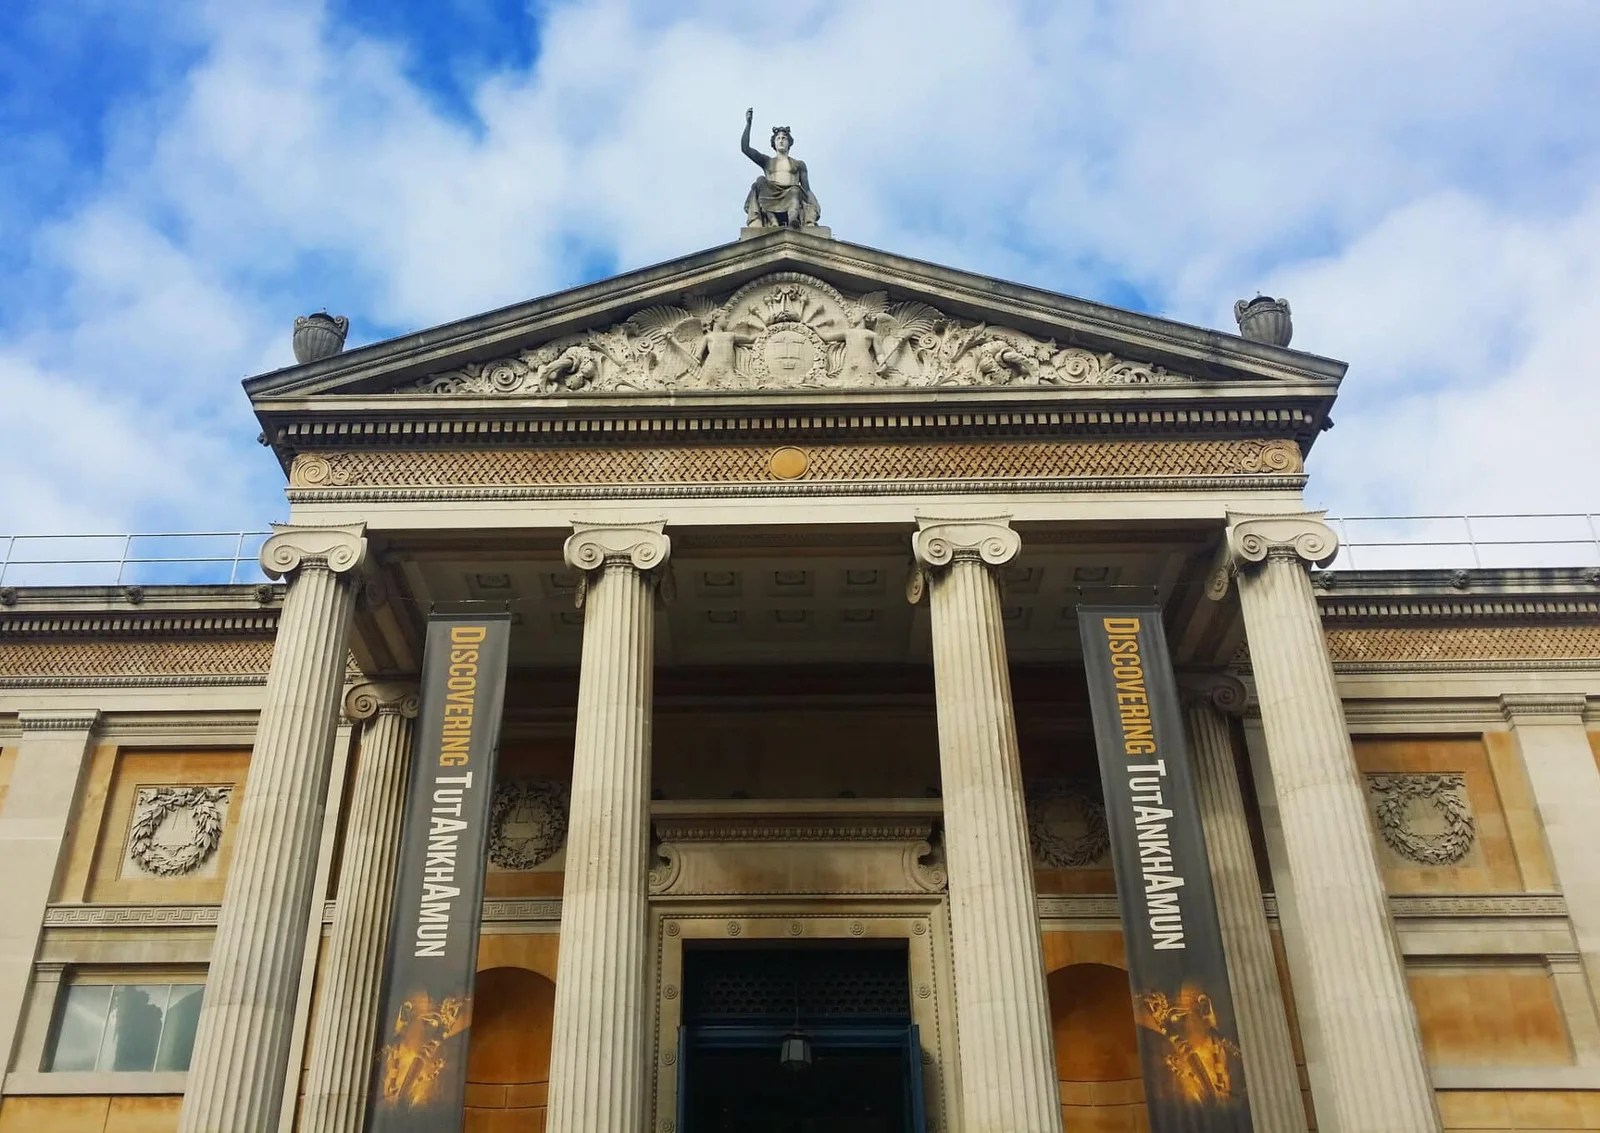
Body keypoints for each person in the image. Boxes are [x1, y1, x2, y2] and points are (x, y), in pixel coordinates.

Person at [741, 108, 821, 228]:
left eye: (784, 138)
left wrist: (814, 204)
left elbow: (806, 189)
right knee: (760, 180)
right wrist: (748, 124)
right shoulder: (767, 161)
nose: (781, 141)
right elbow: (745, 148)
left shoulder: (799, 164)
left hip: (791, 193)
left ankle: (793, 218)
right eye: (778, 138)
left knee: (795, 189)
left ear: (789, 142)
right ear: (774, 143)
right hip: (770, 193)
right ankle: (772, 220)